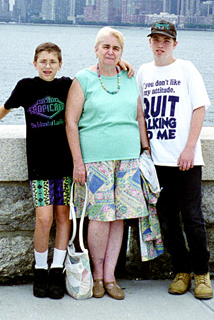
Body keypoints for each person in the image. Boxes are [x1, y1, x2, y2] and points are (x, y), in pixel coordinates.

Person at [0, 42, 72, 299]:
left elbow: (95, 77)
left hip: (64, 163)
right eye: (43, 61)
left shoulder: (67, 85)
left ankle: (57, 270)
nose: (48, 66)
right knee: (44, 218)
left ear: (60, 64)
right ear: (35, 63)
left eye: (53, 62)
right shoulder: (26, 87)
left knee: (64, 217)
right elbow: (5, 108)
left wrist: (122, 64)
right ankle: (40, 270)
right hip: (40, 164)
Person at [65, 27, 147, 301]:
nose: (110, 52)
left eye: (116, 48)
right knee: (100, 217)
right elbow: (71, 122)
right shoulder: (83, 79)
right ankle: (97, 276)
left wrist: (145, 149)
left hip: (128, 158)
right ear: (96, 49)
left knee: (120, 216)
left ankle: (111, 277)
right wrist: (78, 161)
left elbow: (139, 117)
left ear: (122, 53)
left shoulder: (130, 77)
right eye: (105, 47)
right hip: (94, 159)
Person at [135, 20, 213, 300]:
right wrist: (146, 148)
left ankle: (202, 273)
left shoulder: (186, 68)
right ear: (149, 42)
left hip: (186, 160)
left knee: (192, 218)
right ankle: (182, 270)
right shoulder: (143, 72)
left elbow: (199, 108)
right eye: (155, 39)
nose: (160, 45)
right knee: (166, 220)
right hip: (157, 162)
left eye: (165, 40)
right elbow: (141, 114)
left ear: (174, 44)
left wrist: (190, 148)